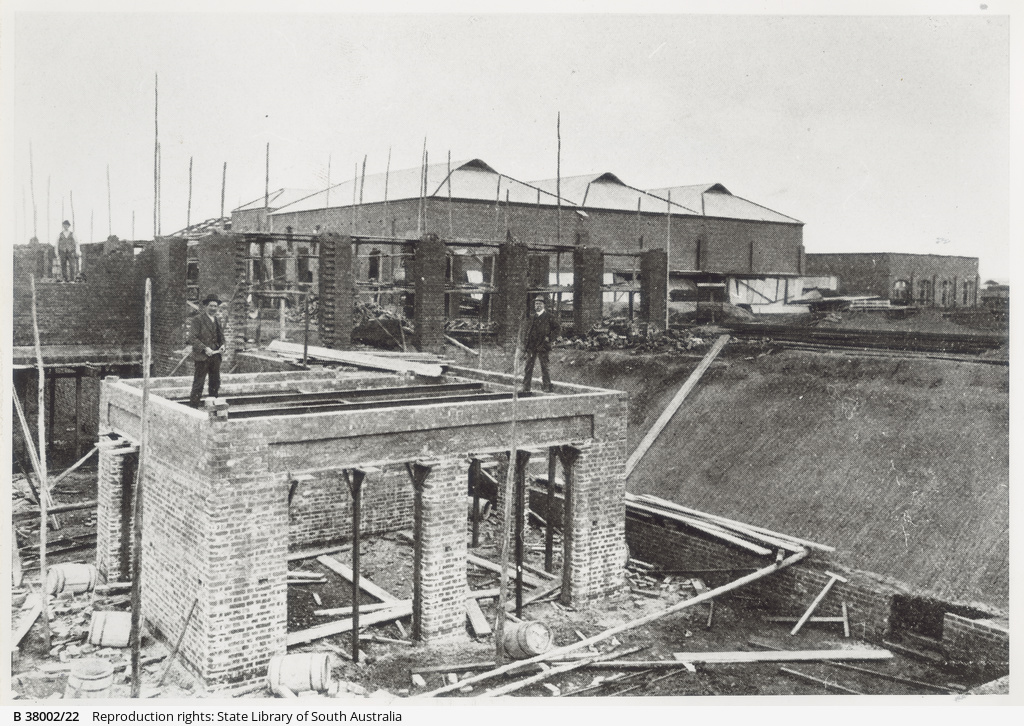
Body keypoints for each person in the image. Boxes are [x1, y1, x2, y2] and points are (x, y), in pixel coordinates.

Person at [188, 294, 226, 408]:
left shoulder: (217, 320)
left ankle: (212, 407)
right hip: (202, 357)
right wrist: (205, 348)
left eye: (215, 306)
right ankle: (193, 408)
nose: (213, 308)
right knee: (199, 384)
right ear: (205, 306)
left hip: (215, 357)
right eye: (211, 306)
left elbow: (221, 337)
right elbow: (192, 338)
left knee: (215, 383)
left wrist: (223, 345)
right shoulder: (197, 320)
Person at [522, 296, 560, 393]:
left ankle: (547, 387)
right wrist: (526, 345)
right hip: (532, 345)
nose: (537, 305)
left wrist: (550, 338)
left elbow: (557, 329)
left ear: (544, 305)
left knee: (544, 367)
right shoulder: (532, 317)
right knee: (528, 367)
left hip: (543, 345)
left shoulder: (549, 317)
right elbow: (528, 331)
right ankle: (526, 387)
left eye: (540, 304)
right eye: (536, 304)